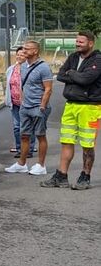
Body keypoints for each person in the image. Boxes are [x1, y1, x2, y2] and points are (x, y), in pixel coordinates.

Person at [43, 31, 100, 189]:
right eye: (76, 41)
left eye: (81, 42)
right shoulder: (74, 57)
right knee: (66, 141)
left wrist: (73, 73)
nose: (77, 44)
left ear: (90, 43)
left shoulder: (98, 59)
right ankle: (61, 175)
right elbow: (60, 75)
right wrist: (76, 76)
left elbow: (86, 79)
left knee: (87, 144)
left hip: (91, 108)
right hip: (70, 105)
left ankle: (85, 176)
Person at [5, 41, 53, 176]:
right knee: (24, 135)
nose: (24, 51)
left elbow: (48, 89)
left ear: (36, 51)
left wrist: (42, 106)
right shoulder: (23, 66)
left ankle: (41, 165)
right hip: (25, 107)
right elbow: (23, 85)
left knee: (40, 135)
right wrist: (22, 101)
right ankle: (21, 164)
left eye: (27, 49)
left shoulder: (43, 67)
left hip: (38, 107)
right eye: (23, 48)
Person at [4, 46, 27, 157]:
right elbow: (8, 85)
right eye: (18, 54)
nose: (19, 56)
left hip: (27, 103)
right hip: (14, 102)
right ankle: (19, 148)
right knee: (17, 126)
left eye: (22, 55)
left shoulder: (28, 68)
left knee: (26, 126)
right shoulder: (11, 69)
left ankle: (29, 149)